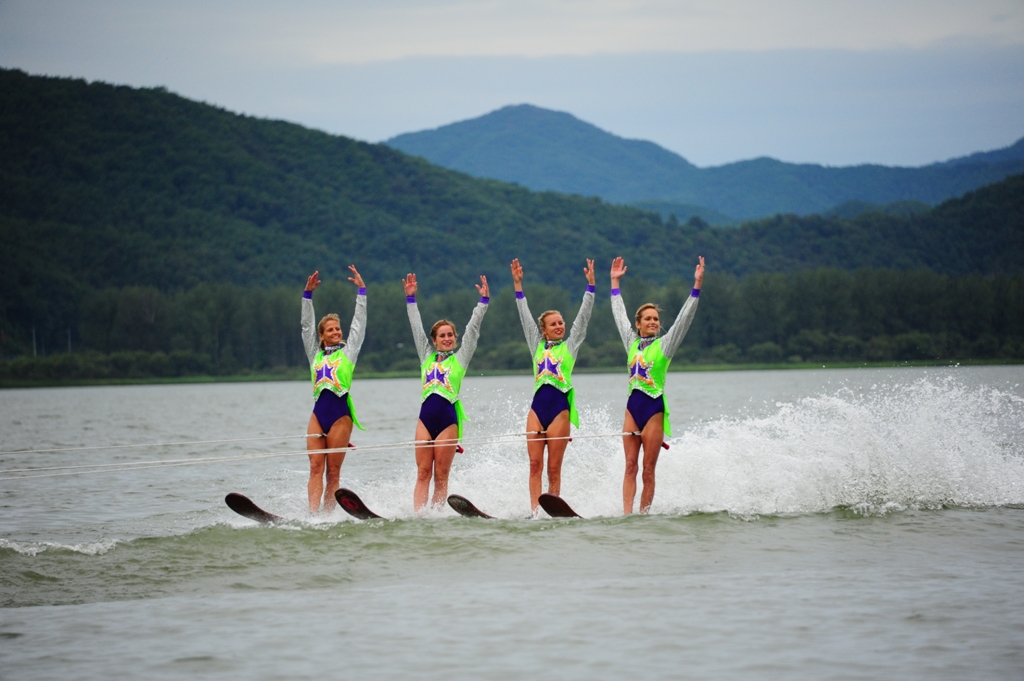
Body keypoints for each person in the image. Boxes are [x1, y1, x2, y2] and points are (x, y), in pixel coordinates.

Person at [610, 255, 704, 514]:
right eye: (648, 319)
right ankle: (627, 515)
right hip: (632, 409)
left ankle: (644, 515)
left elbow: (684, 319)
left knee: (648, 470)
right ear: (638, 324)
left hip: (654, 410)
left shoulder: (666, 345)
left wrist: (696, 286)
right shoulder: (630, 341)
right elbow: (618, 315)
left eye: (656, 319)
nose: (653, 322)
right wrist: (615, 283)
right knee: (630, 466)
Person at [511, 257, 596, 513]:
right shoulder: (535, 345)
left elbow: (582, 320)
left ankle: (552, 509)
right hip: (537, 410)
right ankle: (534, 511)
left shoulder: (570, 346)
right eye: (554, 324)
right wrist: (518, 286)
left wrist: (590, 288)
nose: (559, 326)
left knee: (553, 468)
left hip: (560, 410)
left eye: (561, 322)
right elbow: (524, 317)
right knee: (534, 465)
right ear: (544, 330)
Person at [404, 272, 490, 511]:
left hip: (447, 421)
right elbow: (416, 328)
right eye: (442, 336)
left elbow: (472, 331)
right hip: (425, 419)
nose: (447, 338)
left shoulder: (460, 359)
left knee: (441, 475)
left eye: (450, 335)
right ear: (434, 340)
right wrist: (410, 299)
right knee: (423, 472)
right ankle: (420, 516)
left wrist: (482, 303)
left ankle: (437, 515)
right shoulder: (426, 357)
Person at [301, 266, 367, 514]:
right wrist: (307, 296)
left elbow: (358, 326)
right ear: (322, 335)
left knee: (333, 472)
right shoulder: (314, 355)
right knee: (315, 467)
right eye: (330, 330)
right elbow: (306, 328)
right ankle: (313, 515)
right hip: (318, 415)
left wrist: (362, 292)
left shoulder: (348, 353)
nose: (336, 332)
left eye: (337, 329)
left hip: (340, 415)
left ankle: (328, 515)